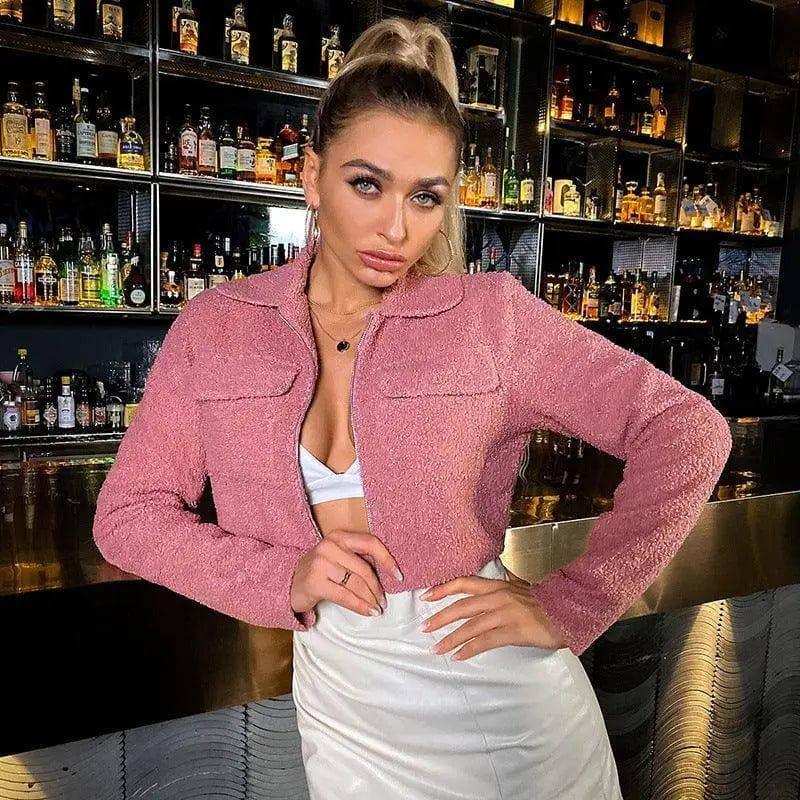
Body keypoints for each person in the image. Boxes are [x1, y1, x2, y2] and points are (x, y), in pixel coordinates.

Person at [92, 17, 733, 800]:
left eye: (425, 197)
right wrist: (281, 575)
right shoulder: (219, 328)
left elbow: (688, 431)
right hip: (344, 710)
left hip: (502, 715)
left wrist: (576, 600)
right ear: (311, 175)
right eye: (367, 184)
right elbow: (127, 518)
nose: (397, 228)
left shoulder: (488, 321)